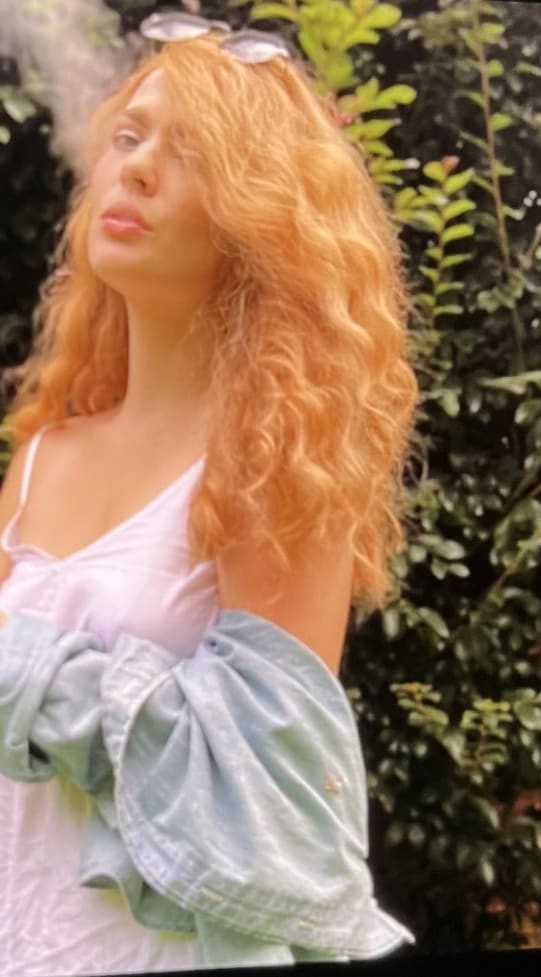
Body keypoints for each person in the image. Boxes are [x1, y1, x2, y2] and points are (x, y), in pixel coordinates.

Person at [0, 17, 418, 975]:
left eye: (189, 151)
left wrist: (19, 668)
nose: (138, 168)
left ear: (257, 222)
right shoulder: (42, 456)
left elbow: (261, 774)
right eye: (128, 135)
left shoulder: (272, 459)